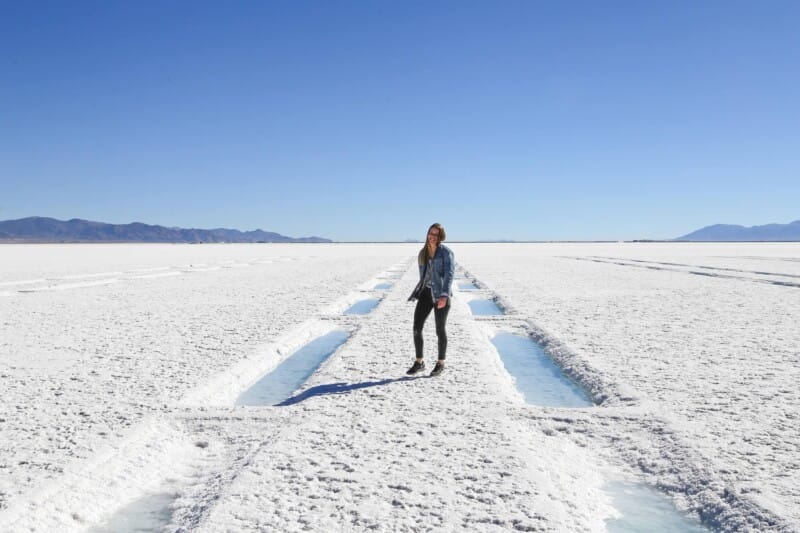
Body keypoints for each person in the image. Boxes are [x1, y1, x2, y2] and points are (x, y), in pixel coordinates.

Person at [406, 223, 454, 377]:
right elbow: (424, 275)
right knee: (416, 327)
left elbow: (449, 274)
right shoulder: (423, 252)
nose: (432, 236)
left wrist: (444, 295)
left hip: (440, 295)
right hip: (426, 293)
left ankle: (440, 363)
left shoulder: (446, 252)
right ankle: (419, 362)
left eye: (436, 234)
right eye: (430, 233)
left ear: (440, 237)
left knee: (440, 330)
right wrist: (419, 290)